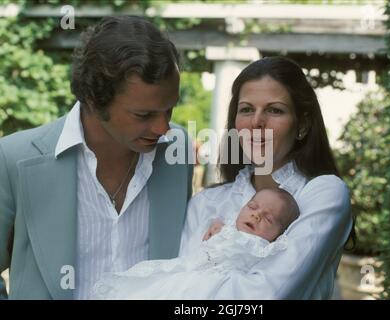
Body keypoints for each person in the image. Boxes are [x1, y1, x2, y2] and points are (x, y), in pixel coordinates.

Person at [0, 16, 193, 299]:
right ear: (93, 99)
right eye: (144, 115)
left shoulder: (178, 151)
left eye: (169, 109)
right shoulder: (14, 158)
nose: (163, 128)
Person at [179, 56, 353, 299]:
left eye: (274, 110)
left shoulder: (323, 194)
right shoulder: (205, 202)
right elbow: (179, 285)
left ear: (302, 123)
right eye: (247, 109)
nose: (256, 122)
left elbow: (266, 295)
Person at [92, 188, 300, 299]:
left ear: (278, 234)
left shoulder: (263, 248)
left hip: (214, 285)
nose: (256, 216)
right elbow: (215, 234)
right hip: (191, 271)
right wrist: (218, 226)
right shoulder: (228, 226)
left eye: (268, 219)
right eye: (252, 207)